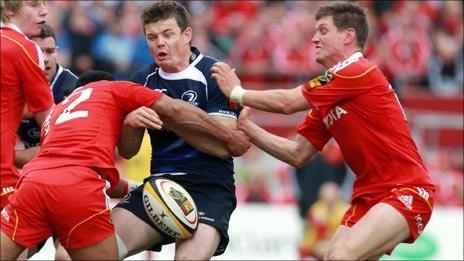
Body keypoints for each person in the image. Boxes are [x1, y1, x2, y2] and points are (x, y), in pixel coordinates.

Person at [211, 2, 436, 260]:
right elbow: (297, 153)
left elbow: (288, 103)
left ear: (348, 35)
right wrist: (248, 128)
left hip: (406, 189)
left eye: (323, 30)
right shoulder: (331, 94)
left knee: (341, 256)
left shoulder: (355, 72)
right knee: (334, 257)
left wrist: (237, 94)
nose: (314, 37)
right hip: (368, 194)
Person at [0, 70, 250, 260]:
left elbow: (58, 165)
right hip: (78, 185)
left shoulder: (56, 112)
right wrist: (230, 138)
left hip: (32, 182)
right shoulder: (113, 89)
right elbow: (173, 108)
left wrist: (133, 188)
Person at [112, 1, 244, 259]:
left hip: (209, 187)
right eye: (152, 37)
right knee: (81, 253)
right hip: (159, 186)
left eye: (167, 34)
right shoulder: (141, 80)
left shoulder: (215, 74)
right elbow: (127, 151)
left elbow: (223, 145)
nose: (159, 42)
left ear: (187, 35)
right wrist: (129, 123)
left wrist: (172, 115)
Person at [0, 0, 53, 210]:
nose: (44, 10)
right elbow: (49, 120)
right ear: (10, 9)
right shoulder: (23, 47)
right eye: (34, 4)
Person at [15, 23, 78, 168]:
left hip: (60, 169)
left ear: (57, 52)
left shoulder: (73, 89)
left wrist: (10, 156)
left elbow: (64, 150)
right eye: (38, 52)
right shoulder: (11, 83)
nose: (45, 59)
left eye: (49, 51)